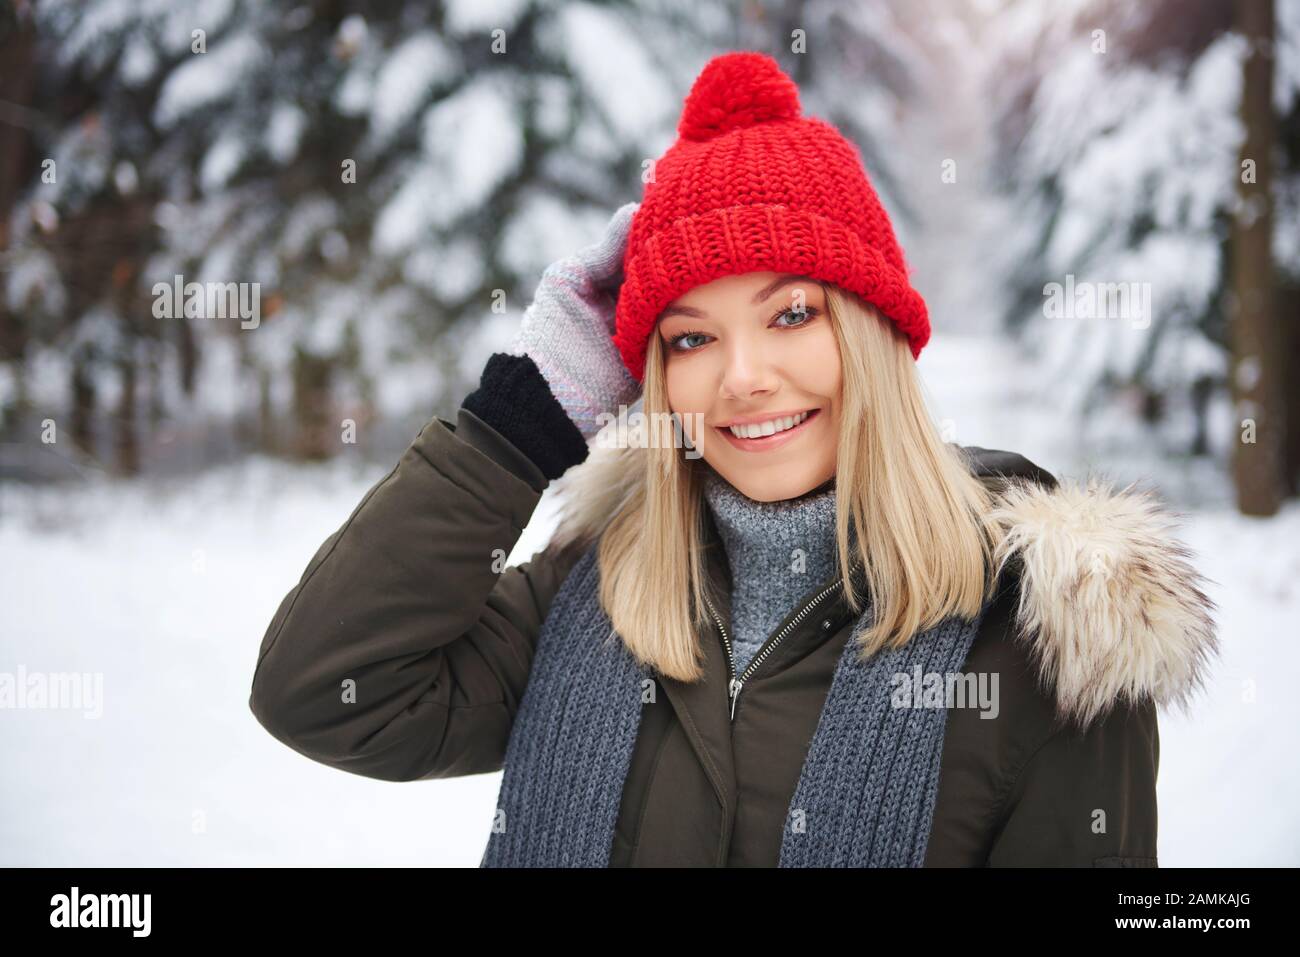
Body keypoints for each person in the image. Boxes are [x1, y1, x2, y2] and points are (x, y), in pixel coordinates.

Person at [248, 51, 1219, 867]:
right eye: (690, 339)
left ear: (872, 337)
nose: (742, 378)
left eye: (792, 314)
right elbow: (327, 693)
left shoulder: (1046, 634)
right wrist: (523, 420)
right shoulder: (595, 583)